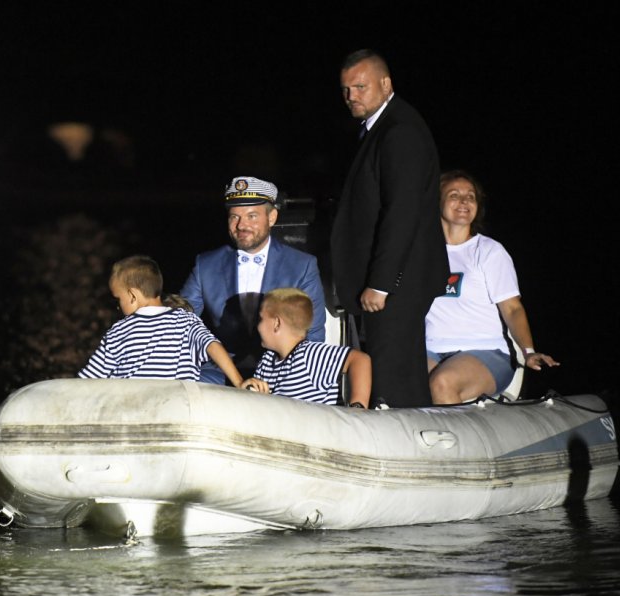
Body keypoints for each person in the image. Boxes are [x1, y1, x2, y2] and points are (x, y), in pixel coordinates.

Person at [330, 49, 450, 408]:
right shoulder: (380, 128)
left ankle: (409, 435)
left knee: (393, 375)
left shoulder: (400, 132)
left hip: (398, 282)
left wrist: (381, 283)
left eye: (360, 87)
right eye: (346, 89)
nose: (351, 96)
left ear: (386, 84)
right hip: (397, 279)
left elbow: (403, 211)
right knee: (398, 369)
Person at [425, 170, 558, 404]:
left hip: (486, 352)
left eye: (470, 196)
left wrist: (528, 352)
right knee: (399, 380)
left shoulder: (489, 251)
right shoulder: (423, 253)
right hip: (432, 348)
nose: (464, 201)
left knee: (442, 383)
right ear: (437, 203)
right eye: (454, 195)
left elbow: (512, 309)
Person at [181, 176, 327, 383]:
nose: (242, 225)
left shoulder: (302, 266)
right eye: (234, 217)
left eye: (252, 216)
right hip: (220, 373)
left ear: (272, 218)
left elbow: (314, 334)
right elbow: (180, 321)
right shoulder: (206, 264)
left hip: (280, 372)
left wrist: (296, 380)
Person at [79, 255, 244, 385]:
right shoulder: (185, 321)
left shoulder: (119, 331)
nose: (118, 306)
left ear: (132, 295)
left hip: (134, 412)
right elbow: (212, 345)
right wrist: (239, 382)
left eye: (118, 299)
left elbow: (88, 380)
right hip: (177, 410)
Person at [241, 288, 371, 407]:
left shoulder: (308, 355)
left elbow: (360, 359)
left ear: (276, 323)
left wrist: (357, 409)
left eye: (260, 319)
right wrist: (248, 390)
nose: (257, 326)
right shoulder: (266, 362)